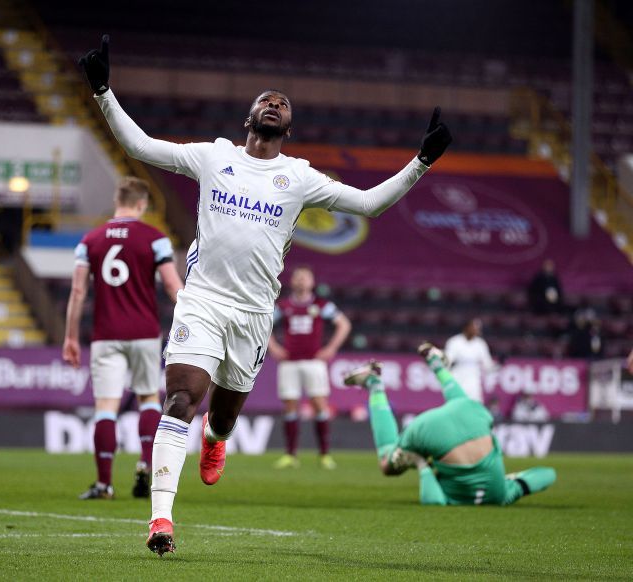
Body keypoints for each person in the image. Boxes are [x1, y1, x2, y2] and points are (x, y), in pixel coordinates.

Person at [78, 35, 451, 555]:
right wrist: (103, 90)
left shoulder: (297, 177)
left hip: (254, 315)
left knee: (223, 417)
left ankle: (216, 438)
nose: (274, 104)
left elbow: (368, 205)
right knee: (180, 398)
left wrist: (422, 162)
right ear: (248, 117)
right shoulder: (213, 157)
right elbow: (140, 146)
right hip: (202, 301)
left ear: (288, 128)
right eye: (266, 100)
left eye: (283, 104)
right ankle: (160, 520)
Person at [62, 176, 183, 501]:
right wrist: (193, 319)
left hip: (105, 334)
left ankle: (104, 485)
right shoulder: (155, 239)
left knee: (106, 407)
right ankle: (146, 464)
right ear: (142, 203)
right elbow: (173, 287)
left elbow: (77, 290)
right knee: (147, 398)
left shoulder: (90, 240)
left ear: (118, 201)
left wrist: (70, 336)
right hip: (144, 332)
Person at [343, 343, 556, 506]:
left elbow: (547, 474)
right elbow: (434, 501)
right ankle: (374, 384)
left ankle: (436, 363)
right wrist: (420, 463)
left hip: (474, 415)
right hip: (432, 432)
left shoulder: (503, 495)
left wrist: (513, 481)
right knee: (387, 462)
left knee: (460, 404)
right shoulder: (478, 499)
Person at [268, 266, 351, 470]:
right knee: (290, 406)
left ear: (312, 282)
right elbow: (263, 325)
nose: (301, 281)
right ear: (292, 281)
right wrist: (274, 348)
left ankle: (324, 454)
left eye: (305, 278)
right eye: (298, 277)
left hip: (314, 362)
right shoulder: (284, 306)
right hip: (289, 362)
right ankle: (290, 455)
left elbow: (344, 324)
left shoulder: (321, 305)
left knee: (319, 404)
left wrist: (331, 348)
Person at [444, 317, 494, 403]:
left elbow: (488, 365)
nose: (477, 329)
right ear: (466, 327)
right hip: (458, 379)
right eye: (474, 326)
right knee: (456, 405)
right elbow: (447, 361)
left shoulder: (480, 344)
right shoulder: (455, 342)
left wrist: (496, 367)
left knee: (475, 406)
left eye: (478, 327)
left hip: (473, 381)